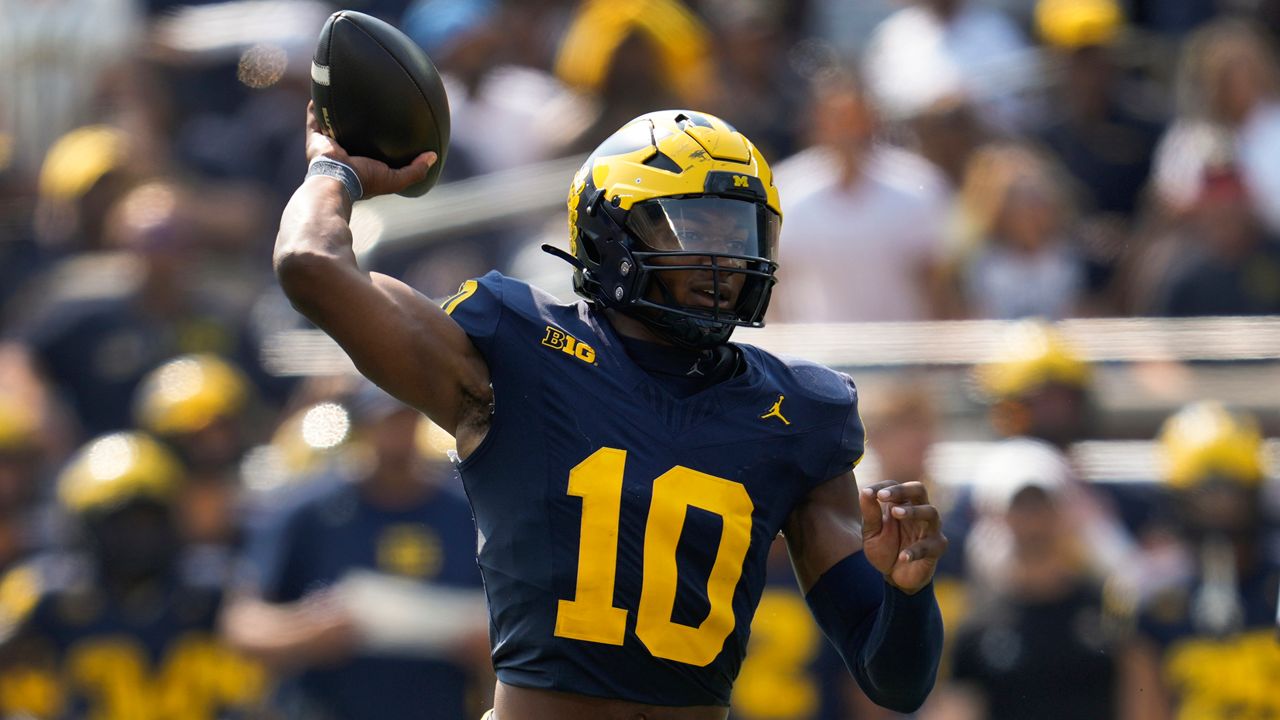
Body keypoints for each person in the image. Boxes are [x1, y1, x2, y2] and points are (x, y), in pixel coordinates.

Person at [274, 106, 947, 718]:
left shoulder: (800, 409)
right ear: (611, 232)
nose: (723, 260)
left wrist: (907, 592)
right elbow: (310, 263)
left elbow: (896, 682)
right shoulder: (520, 350)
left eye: (738, 232)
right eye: (693, 228)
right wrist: (334, 171)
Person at [222, 384, 489, 720]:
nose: (397, 434)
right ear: (361, 425)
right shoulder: (308, 512)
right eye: (386, 421)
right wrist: (309, 632)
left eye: (406, 419)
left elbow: (513, 626)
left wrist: (487, 640)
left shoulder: (465, 513)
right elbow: (242, 626)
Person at [0, 431, 266, 718]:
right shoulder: (39, 592)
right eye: (121, 523)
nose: (139, 537)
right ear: (85, 526)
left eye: (150, 520)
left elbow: (264, 687)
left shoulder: (217, 587)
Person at [1120, 402, 1280, 720]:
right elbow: (1145, 706)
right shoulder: (1150, 592)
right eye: (1206, 494)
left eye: (1231, 492)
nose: (1220, 506)